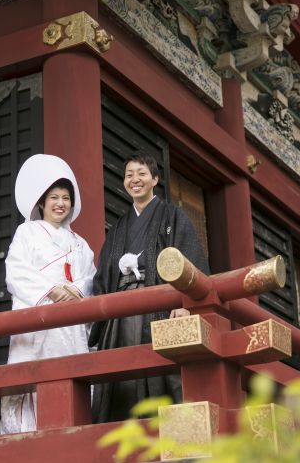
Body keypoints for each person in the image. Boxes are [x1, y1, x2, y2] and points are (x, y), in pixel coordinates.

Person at [91, 151, 210, 424]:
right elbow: (103, 278)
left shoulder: (173, 216)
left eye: (141, 173)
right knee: (120, 382)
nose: (135, 179)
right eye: (129, 175)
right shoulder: (118, 228)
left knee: (163, 377)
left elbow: (191, 264)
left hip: (160, 308)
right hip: (121, 315)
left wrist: (185, 304)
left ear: (154, 179)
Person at [0, 154, 97, 434]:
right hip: (38, 316)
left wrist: (76, 289)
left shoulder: (80, 243)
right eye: (54, 197)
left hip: (72, 322)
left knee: (72, 376)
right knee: (32, 380)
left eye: (66, 198)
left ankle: (73, 433)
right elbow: (16, 271)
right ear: (41, 202)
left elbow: (91, 276)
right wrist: (51, 290)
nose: (60, 203)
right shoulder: (26, 232)